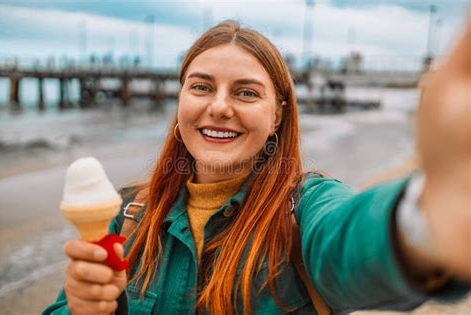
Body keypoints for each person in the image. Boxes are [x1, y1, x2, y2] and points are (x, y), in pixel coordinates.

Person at [44, 20, 470, 314]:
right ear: (180, 100)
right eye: (201, 87)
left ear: (278, 115)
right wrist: (79, 308)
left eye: (246, 93)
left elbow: (348, 238)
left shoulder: (304, 212)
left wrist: (430, 214)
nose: (219, 106)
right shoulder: (130, 214)